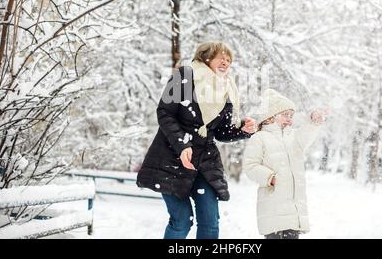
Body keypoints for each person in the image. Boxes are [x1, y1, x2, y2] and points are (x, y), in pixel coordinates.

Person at [136, 41, 256, 239]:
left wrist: (242, 129)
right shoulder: (184, 75)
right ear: (206, 57)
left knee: (210, 223)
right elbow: (165, 113)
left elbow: (221, 132)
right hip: (171, 158)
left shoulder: (225, 89)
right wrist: (183, 145)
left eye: (229, 60)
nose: (226, 63)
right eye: (222, 58)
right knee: (181, 221)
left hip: (205, 163)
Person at [243, 89, 326, 239]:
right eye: (285, 115)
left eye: (291, 116)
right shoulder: (259, 138)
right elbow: (250, 166)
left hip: (294, 208)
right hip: (272, 205)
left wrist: (313, 122)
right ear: (270, 117)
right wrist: (270, 177)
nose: (290, 119)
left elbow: (306, 134)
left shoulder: (293, 137)